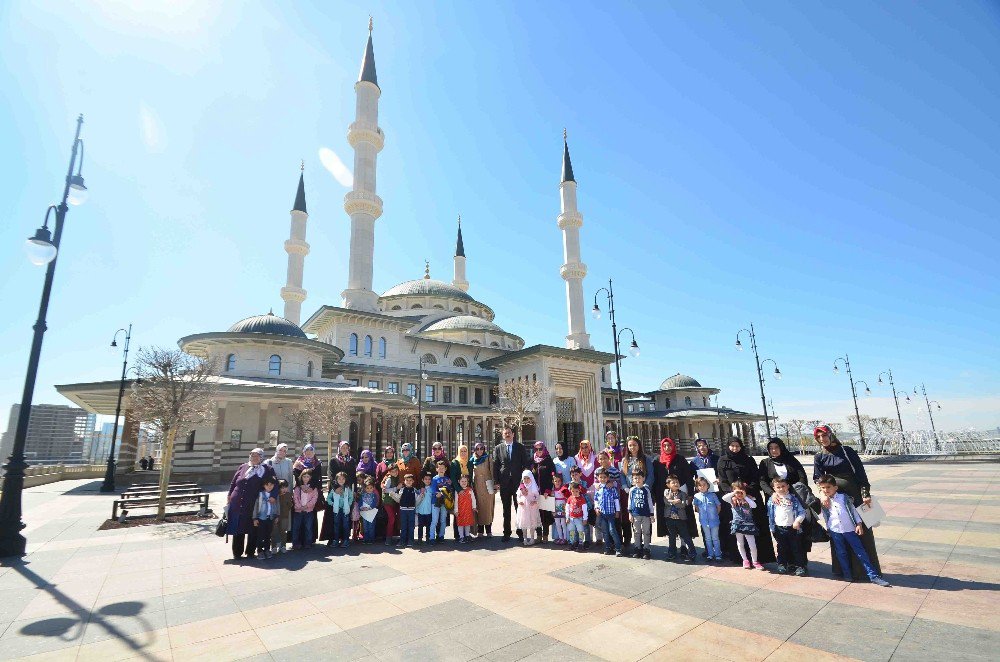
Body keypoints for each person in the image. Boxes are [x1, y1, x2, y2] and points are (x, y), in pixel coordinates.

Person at [813, 425, 882, 580]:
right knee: (838, 532)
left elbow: (860, 473)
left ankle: (868, 571)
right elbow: (818, 478)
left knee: (862, 532)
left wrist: (865, 494)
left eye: (824, 435)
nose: (822, 439)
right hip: (833, 497)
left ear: (831, 435)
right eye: (818, 437)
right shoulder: (819, 456)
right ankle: (844, 570)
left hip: (854, 495)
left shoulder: (847, 451)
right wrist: (822, 494)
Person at [816, 475, 890, 587]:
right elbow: (826, 516)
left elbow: (853, 511)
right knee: (841, 553)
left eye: (828, 487)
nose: (826, 490)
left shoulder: (844, 498)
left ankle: (873, 575)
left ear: (835, 487)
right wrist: (828, 528)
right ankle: (847, 574)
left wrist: (859, 524)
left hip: (850, 530)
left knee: (860, 552)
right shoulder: (824, 501)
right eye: (823, 488)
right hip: (835, 531)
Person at [717, 438, 776, 565]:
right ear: (728, 446)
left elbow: (756, 478)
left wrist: (746, 492)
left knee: (756, 527)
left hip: (750, 496)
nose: (734, 448)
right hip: (732, 500)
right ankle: (741, 558)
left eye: (737, 446)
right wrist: (734, 494)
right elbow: (722, 481)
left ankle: (758, 558)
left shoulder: (748, 459)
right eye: (732, 445)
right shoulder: (722, 460)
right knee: (736, 532)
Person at [759, 437, 812, 567]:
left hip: (793, 500)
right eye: (771, 448)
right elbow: (762, 481)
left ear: (781, 448)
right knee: (780, 534)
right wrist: (772, 494)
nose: (774, 450)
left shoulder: (791, 460)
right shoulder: (765, 463)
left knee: (797, 533)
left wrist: (797, 493)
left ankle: (799, 563)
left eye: (776, 447)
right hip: (775, 499)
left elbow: (802, 476)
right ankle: (785, 562)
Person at [226, 448, 278, 560]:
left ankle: (250, 551)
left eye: (257, 455)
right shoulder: (243, 467)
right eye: (252, 455)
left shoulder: (267, 469)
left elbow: (275, 483)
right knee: (238, 527)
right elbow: (234, 482)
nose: (254, 457)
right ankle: (237, 552)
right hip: (238, 502)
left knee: (253, 527)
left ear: (261, 457)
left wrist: (273, 495)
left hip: (254, 504)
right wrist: (229, 494)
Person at [654, 438, 698, 550]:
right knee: (669, 522)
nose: (667, 448)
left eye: (669, 445)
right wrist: (655, 497)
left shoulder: (680, 459)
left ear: (673, 446)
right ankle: (672, 547)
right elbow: (655, 480)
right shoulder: (657, 461)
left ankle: (684, 545)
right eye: (664, 446)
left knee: (683, 521)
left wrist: (690, 494)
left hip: (681, 496)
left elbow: (688, 477)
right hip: (665, 498)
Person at [492, 425, 527, 541]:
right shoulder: (498, 448)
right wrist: (496, 482)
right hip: (504, 483)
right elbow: (496, 466)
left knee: (519, 508)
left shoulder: (520, 447)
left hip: (518, 483)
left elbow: (525, 464)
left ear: (513, 434)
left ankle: (520, 532)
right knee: (506, 509)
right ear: (503, 435)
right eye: (505, 433)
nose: (507, 434)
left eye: (509, 433)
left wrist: (524, 482)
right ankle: (506, 533)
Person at [767, 477, 807, 575]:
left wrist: (797, 521)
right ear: (774, 489)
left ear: (788, 486)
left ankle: (799, 566)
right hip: (779, 528)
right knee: (781, 548)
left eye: (783, 486)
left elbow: (802, 512)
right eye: (778, 487)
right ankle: (782, 564)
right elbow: (770, 514)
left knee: (796, 548)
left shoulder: (793, 499)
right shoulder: (772, 500)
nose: (781, 489)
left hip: (793, 528)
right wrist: (772, 526)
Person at [723, 480, 762, 569]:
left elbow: (754, 506)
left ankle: (755, 561)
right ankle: (745, 560)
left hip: (748, 525)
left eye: (741, 491)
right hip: (737, 524)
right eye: (737, 492)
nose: (739, 494)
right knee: (740, 543)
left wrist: (745, 497)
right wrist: (734, 493)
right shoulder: (732, 500)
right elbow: (724, 498)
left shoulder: (749, 499)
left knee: (752, 545)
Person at [292, 444, 324, 545]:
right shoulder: (298, 463)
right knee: (299, 517)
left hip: (311, 491)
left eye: (311, 451)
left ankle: (309, 539)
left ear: (314, 452)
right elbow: (296, 475)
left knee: (310, 517)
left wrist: (311, 487)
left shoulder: (317, 463)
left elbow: (317, 477)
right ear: (303, 452)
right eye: (307, 451)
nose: (309, 453)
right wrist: (301, 486)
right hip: (300, 491)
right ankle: (298, 540)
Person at [663, 475, 696, 562]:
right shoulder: (666, 491)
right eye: (673, 482)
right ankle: (672, 552)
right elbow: (666, 501)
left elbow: (683, 504)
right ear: (668, 485)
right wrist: (675, 501)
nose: (676, 484)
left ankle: (692, 552)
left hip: (680, 519)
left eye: (677, 482)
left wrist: (675, 502)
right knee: (672, 536)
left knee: (686, 536)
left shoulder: (683, 494)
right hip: (669, 519)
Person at [529, 441, 556, 542]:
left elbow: (553, 476)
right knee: (536, 514)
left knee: (546, 514)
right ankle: (538, 535)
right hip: (535, 493)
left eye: (540, 449)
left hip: (545, 492)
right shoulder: (532, 461)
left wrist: (548, 490)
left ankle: (545, 535)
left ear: (544, 449)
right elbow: (527, 475)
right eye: (536, 449)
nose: (538, 451)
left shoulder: (548, 460)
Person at [693, 476, 722, 561]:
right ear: (697, 487)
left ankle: (718, 554)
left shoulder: (713, 495)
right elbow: (697, 507)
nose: (702, 487)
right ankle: (710, 554)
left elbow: (718, 506)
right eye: (700, 485)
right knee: (708, 538)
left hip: (714, 521)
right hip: (704, 521)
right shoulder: (696, 496)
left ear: (708, 485)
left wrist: (715, 515)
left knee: (715, 538)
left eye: (704, 485)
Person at [594, 467, 622, 556]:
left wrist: (617, 511)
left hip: (611, 514)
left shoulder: (612, 488)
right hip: (602, 514)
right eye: (600, 477)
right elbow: (596, 500)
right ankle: (607, 547)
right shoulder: (598, 489)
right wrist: (596, 508)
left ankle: (618, 548)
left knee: (612, 530)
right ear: (598, 478)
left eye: (604, 477)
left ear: (608, 478)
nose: (602, 479)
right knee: (605, 532)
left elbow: (616, 500)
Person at [628, 469, 654, 560]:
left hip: (646, 515)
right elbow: (630, 502)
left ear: (643, 478)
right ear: (633, 479)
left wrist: (652, 514)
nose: (637, 479)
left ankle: (646, 548)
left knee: (646, 532)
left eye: (639, 477)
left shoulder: (646, 490)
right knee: (636, 532)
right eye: (635, 478)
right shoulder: (632, 490)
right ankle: (637, 548)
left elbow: (650, 502)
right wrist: (630, 513)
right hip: (635, 514)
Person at [470, 441, 495, 537]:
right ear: (475, 450)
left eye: (481, 448)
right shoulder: (472, 459)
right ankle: (480, 531)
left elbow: (492, 471)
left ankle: (489, 531)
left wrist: (495, 485)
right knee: (479, 508)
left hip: (488, 486)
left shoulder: (488, 458)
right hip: (477, 487)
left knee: (488, 508)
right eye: (477, 449)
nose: (480, 450)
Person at [252, 476, 280, 559]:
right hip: (261, 518)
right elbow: (255, 506)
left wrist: (277, 515)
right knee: (260, 535)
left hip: (270, 518)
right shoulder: (260, 494)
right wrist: (254, 518)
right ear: (264, 485)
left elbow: (277, 505)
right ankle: (260, 551)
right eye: (267, 485)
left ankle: (267, 549)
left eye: (271, 485)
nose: (269, 486)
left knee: (268, 535)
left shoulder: (274, 495)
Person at [450, 444, 474, 540]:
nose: (463, 453)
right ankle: (458, 535)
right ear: (458, 452)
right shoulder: (455, 463)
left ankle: (467, 534)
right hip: (458, 491)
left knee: (467, 512)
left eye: (465, 451)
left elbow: (471, 476)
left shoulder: (469, 462)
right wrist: (459, 490)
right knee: (458, 512)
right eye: (461, 451)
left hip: (467, 490)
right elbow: (453, 478)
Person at [291, 469, 318, 550]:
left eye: (307, 477)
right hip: (298, 511)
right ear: (301, 477)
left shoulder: (313, 489)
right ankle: (295, 543)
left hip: (308, 511)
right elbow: (295, 498)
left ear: (310, 478)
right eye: (304, 476)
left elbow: (314, 499)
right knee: (296, 528)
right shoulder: (297, 488)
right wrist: (299, 506)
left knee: (308, 527)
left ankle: (308, 543)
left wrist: (307, 506)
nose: (305, 478)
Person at [326, 471, 354, 548]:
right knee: (336, 525)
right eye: (339, 479)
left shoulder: (347, 489)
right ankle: (336, 540)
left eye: (343, 479)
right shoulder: (334, 489)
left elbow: (351, 498)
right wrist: (332, 504)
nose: (341, 480)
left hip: (345, 510)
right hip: (336, 511)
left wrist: (349, 504)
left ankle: (346, 540)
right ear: (336, 480)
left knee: (345, 526)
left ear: (345, 480)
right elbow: (328, 498)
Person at [570, 465, 595, 549]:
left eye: (576, 474)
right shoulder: (570, 484)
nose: (574, 477)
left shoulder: (583, 483)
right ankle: (577, 541)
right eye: (572, 475)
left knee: (585, 525)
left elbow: (583, 491)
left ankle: (587, 540)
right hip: (575, 508)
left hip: (584, 507)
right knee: (576, 525)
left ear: (580, 474)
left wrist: (577, 485)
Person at [515, 469, 542, 546]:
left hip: (532, 507)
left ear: (531, 478)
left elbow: (537, 496)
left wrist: (535, 501)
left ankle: (532, 538)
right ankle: (525, 538)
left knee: (532, 522)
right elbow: (518, 495)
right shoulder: (521, 487)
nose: (526, 480)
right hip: (523, 508)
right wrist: (519, 500)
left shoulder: (533, 487)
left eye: (528, 478)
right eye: (524, 478)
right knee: (524, 523)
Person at [430, 460, 453, 543]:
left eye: (443, 468)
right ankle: (431, 537)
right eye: (439, 468)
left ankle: (441, 535)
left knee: (443, 520)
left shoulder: (447, 479)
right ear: (436, 469)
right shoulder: (434, 479)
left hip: (444, 503)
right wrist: (437, 493)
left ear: (445, 469)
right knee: (435, 520)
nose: (441, 470)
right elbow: (432, 490)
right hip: (435, 502)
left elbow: (450, 489)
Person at [395, 473, 419, 547]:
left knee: (411, 526)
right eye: (407, 480)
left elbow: (417, 500)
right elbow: (398, 498)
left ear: (413, 481)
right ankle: (402, 540)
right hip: (403, 510)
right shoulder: (402, 490)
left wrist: (421, 495)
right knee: (403, 526)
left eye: (410, 480)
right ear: (404, 481)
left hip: (412, 510)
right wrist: (392, 494)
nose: (408, 482)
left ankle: (410, 540)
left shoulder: (415, 490)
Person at [453, 474, 478, 543]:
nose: (464, 483)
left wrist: (474, 507)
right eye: (462, 481)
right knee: (460, 524)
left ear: (467, 482)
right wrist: (456, 510)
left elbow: (473, 499)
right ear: (459, 482)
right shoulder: (457, 491)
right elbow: (456, 501)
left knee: (467, 524)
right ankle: (461, 537)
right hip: (460, 511)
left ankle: (467, 536)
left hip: (468, 510)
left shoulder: (470, 490)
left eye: (465, 481)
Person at [381, 464, 401, 545]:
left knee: (394, 518)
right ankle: (388, 538)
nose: (395, 473)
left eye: (396, 471)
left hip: (394, 501)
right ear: (389, 472)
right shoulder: (389, 479)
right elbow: (385, 490)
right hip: (388, 501)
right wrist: (396, 488)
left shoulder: (397, 478)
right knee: (392, 518)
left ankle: (392, 536)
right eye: (392, 471)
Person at [566, 481, 588, 550]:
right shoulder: (570, 498)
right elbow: (567, 508)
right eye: (573, 491)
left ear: (579, 491)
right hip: (571, 518)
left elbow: (585, 510)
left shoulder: (582, 499)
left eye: (576, 491)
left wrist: (585, 519)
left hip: (579, 518)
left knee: (580, 530)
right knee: (572, 531)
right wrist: (567, 517)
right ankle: (572, 543)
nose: (574, 493)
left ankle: (581, 544)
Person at [273, 479, 293, 554]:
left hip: (284, 516)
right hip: (275, 516)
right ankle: (274, 547)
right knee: (273, 532)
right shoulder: (275, 495)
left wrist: (289, 505)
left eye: (285, 487)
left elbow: (290, 505)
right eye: (282, 488)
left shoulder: (288, 494)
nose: (284, 489)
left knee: (283, 532)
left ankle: (283, 546)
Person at [358, 478, 380, 544]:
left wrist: (370, 508)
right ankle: (366, 539)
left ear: (373, 488)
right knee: (365, 527)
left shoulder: (374, 495)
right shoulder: (363, 495)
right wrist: (361, 507)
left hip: (372, 513)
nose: (369, 489)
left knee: (371, 526)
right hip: (364, 513)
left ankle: (371, 539)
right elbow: (360, 502)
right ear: (365, 488)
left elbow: (375, 503)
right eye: (367, 488)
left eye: (371, 488)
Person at [551, 473, 570, 544]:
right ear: (553, 481)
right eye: (556, 481)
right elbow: (551, 501)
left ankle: (565, 538)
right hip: (556, 509)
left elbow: (567, 498)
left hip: (562, 509)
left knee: (563, 523)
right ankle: (560, 537)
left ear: (561, 481)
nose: (557, 482)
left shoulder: (563, 489)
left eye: (559, 481)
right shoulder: (552, 491)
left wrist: (565, 510)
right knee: (557, 524)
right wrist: (553, 510)